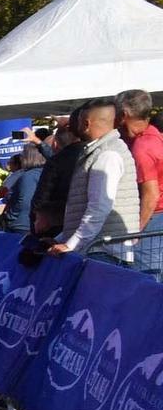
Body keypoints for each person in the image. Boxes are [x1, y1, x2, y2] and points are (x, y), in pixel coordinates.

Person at [51, 98, 140, 265]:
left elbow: (98, 207)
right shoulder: (100, 151)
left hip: (104, 252)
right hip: (101, 249)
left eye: (76, 121)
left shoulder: (107, 155)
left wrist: (71, 244)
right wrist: (61, 238)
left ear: (86, 123)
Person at [116, 89, 163, 276]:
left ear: (124, 114)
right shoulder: (154, 135)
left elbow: (151, 194)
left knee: (147, 277)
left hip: (154, 217)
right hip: (157, 217)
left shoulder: (142, 148)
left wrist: (136, 232)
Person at [0, 143, 46, 235]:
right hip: (32, 222)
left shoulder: (28, 176)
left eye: (23, 155)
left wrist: (11, 216)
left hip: (21, 224)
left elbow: (24, 201)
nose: (21, 158)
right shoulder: (42, 172)